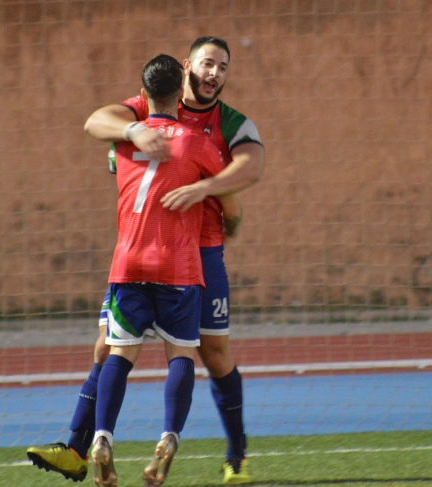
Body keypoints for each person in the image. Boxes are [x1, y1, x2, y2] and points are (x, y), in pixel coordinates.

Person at [27, 36, 264, 485]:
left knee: (213, 355)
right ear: (185, 67)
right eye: (207, 64)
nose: (214, 73)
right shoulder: (144, 107)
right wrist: (132, 129)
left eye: (223, 67)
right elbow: (97, 120)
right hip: (161, 253)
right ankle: (76, 448)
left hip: (199, 253)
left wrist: (204, 189)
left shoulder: (229, 121)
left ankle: (237, 455)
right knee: (108, 346)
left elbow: (252, 167)